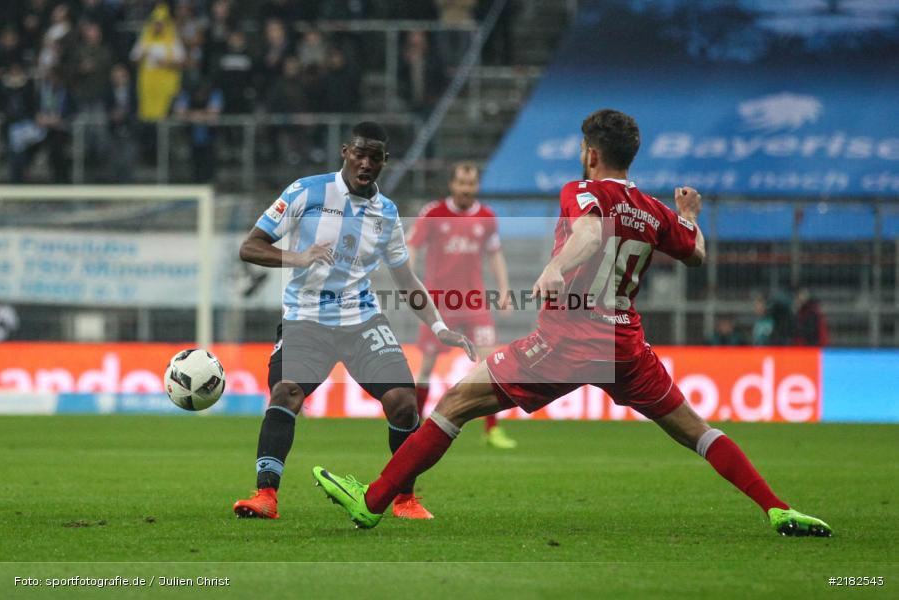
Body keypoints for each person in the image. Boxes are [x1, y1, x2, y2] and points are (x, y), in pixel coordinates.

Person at [313, 109, 832, 538]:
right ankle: (777, 507)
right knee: (697, 430)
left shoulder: (583, 191)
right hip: (626, 347)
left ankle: (374, 500)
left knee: (452, 405)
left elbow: (587, 229)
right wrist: (690, 215)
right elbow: (695, 252)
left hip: (567, 341)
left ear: (590, 154)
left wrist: (556, 266)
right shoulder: (653, 211)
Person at [233, 122, 476, 521]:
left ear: (384, 161)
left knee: (402, 403)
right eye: (359, 153)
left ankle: (405, 499)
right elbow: (250, 246)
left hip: (360, 318)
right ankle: (266, 495)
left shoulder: (387, 213)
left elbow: (406, 279)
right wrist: (299, 257)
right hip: (306, 317)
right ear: (345, 152)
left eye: (374, 157)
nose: (366, 163)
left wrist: (439, 326)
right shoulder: (306, 190)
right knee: (287, 392)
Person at [408, 162, 517, 449]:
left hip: (475, 302)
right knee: (427, 366)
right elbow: (412, 245)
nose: (466, 189)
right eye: (462, 183)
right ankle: (413, 425)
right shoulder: (433, 213)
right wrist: (409, 282)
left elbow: (495, 255)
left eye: (471, 184)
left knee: (490, 364)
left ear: (476, 186)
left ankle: (492, 430)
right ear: (452, 185)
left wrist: (504, 290)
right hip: (439, 304)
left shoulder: (486, 217)